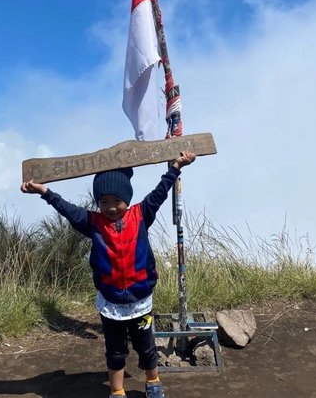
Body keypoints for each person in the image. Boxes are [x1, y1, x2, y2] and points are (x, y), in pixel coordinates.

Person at [21, 150, 196, 398]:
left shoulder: (140, 215)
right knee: (114, 351)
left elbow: (160, 192)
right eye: (103, 202)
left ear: (127, 198)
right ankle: (117, 391)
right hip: (110, 304)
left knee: (146, 348)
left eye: (117, 201)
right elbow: (67, 209)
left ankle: (153, 381)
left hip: (140, 302)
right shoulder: (93, 223)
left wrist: (176, 168)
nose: (111, 207)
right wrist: (44, 192)